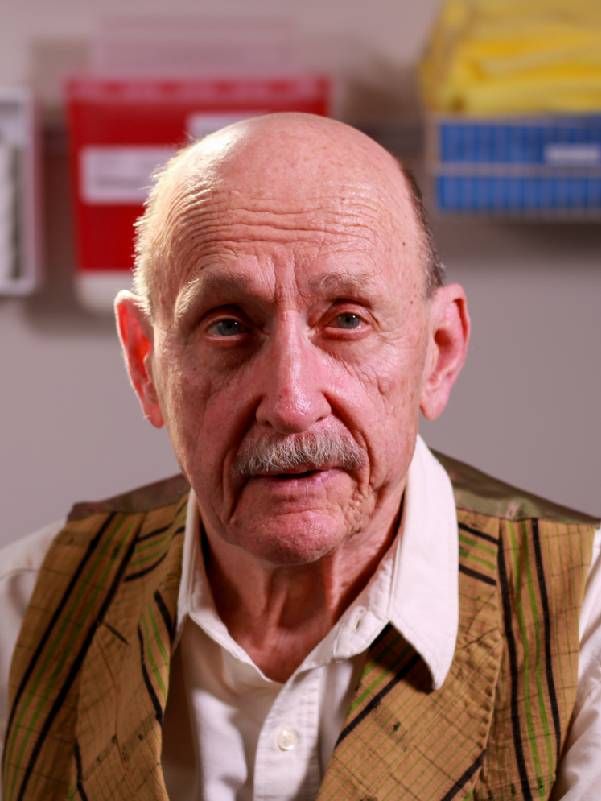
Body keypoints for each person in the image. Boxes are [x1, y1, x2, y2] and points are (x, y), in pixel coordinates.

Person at [0, 113, 599, 801]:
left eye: (345, 319)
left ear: (438, 351)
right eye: (226, 325)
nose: (289, 400)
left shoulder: (585, 618)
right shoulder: (21, 611)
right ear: (145, 364)